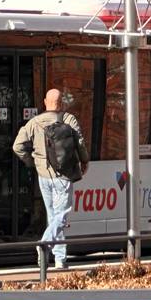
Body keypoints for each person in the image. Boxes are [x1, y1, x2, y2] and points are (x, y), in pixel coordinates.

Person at [12, 89, 89, 270]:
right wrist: (84, 161)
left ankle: (59, 260)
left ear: (45, 102)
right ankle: (45, 243)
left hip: (44, 177)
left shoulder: (34, 122)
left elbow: (17, 146)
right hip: (64, 175)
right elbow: (80, 143)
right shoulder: (69, 120)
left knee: (53, 217)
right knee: (61, 217)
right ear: (61, 103)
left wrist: (32, 162)